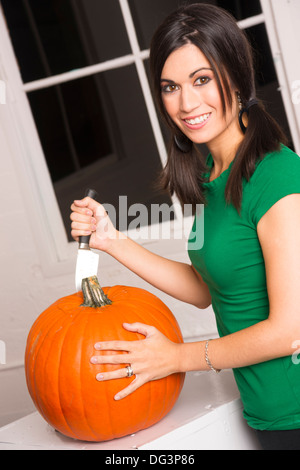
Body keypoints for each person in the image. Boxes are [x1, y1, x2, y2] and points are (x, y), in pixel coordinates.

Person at [70, 4, 300, 450]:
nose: (186, 103)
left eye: (202, 79)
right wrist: (112, 240)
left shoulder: (278, 176)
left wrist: (177, 358)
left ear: (236, 74)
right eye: (170, 87)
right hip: (268, 415)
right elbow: (207, 289)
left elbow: (290, 328)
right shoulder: (214, 174)